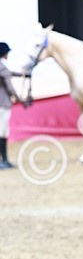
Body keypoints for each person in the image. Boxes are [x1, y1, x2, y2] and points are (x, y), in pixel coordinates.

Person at [0, 41, 29, 170]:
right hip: (3, 104)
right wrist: (21, 100)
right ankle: (4, 160)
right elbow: (9, 87)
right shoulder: (2, 67)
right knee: (3, 132)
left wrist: (22, 74)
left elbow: (9, 73)